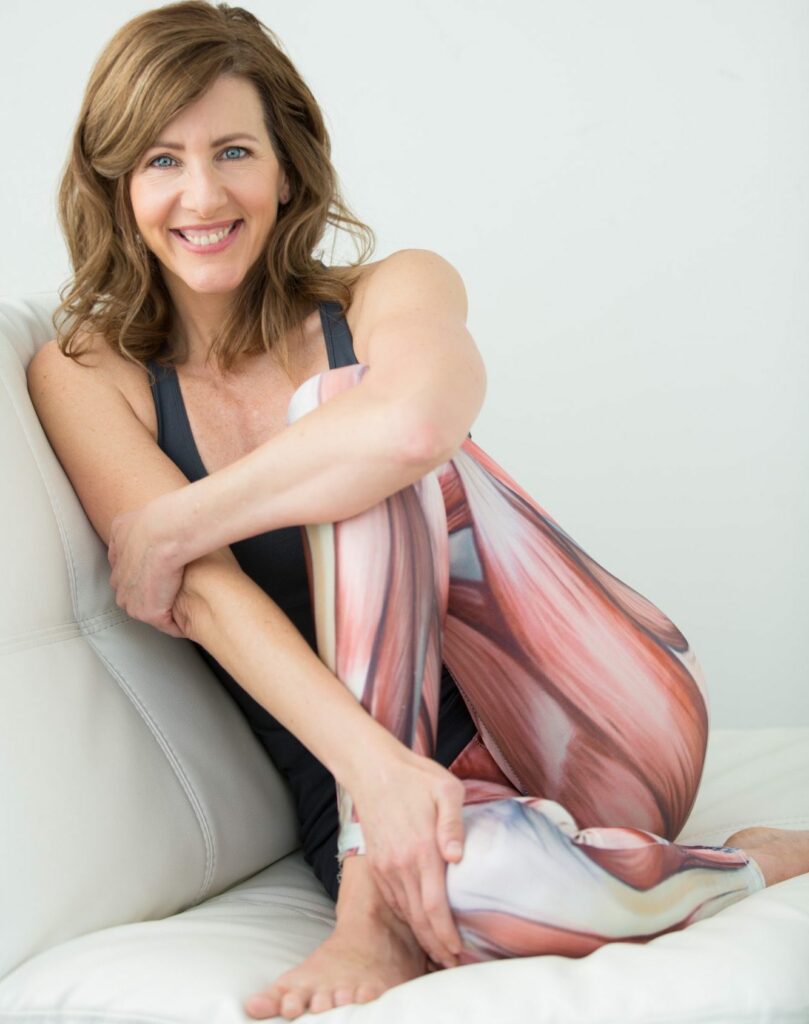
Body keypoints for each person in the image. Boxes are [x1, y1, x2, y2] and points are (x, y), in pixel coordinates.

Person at [26, 1, 809, 1020]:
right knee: (476, 892)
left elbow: (407, 429)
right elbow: (206, 601)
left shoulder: (393, 289)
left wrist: (175, 522)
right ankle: (737, 866)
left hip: (590, 709)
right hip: (376, 780)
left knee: (345, 409)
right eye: (161, 160)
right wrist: (380, 778)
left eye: (233, 151)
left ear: (287, 169)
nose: (203, 194)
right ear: (114, 182)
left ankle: (372, 908)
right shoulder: (86, 372)